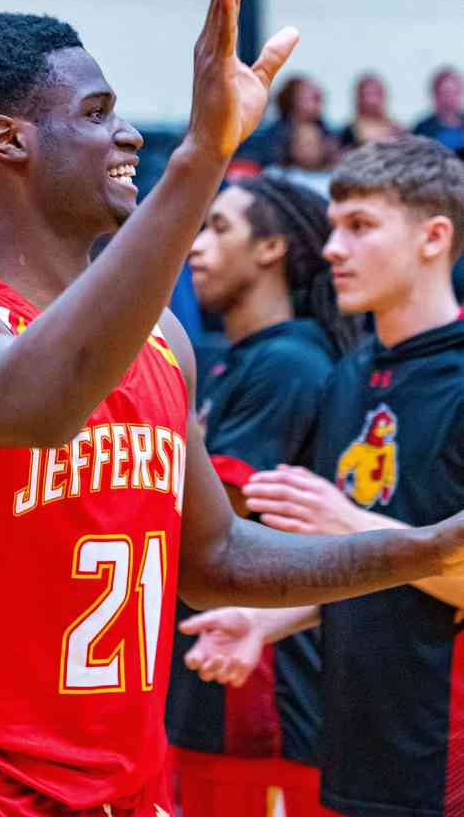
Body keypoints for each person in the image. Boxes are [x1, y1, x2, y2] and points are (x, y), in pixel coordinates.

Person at [0, 0, 464, 817]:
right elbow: (44, 400)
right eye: (96, 111)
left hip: (130, 787)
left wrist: (427, 548)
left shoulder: (164, 340)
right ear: (8, 141)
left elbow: (213, 556)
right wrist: (202, 155)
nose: (128, 131)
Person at [184, 136, 464, 817]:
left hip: (445, 766)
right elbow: (371, 577)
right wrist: (265, 621)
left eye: (360, 227)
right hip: (351, 751)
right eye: (334, 226)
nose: (332, 248)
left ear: (433, 237)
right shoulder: (347, 376)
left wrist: (349, 526)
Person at [166, 176, 361, 816]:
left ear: (272, 247)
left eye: (220, 228)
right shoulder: (241, 360)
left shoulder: (288, 363)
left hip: (261, 692)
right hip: (220, 669)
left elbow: (221, 514)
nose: (197, 246)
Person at [338, 73, 402, 150]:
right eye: (367, 95)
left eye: (376, 94)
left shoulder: (397, 130)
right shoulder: (348, 132)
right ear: (359, 98)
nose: (371, 101)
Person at [414, 66, 464, 154]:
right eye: (445, 93)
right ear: (435, 95)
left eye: (454, 92)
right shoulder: (423, 129)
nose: (450, 98)